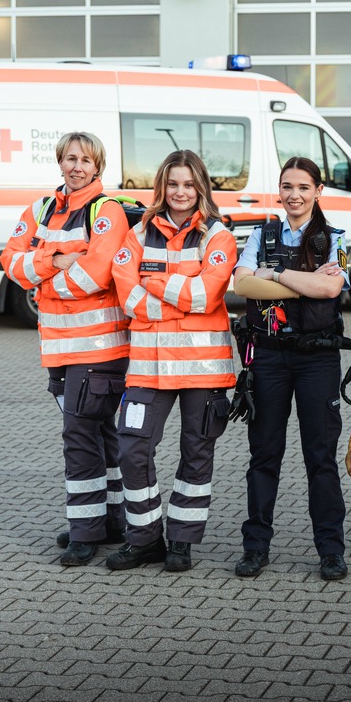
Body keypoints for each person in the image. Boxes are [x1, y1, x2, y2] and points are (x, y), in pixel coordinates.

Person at [0, 132, 130, 566]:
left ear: (98, 167)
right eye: (70, 158)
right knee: (100, 433)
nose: (77, 166)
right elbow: (11, 264)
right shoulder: (39, 209)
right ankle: (113, 521)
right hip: (59, 348)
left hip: (98, 348)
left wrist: (43, 281)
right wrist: (54, 261)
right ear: (59, 162)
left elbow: (95, 275)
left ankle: (85, 531)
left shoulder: (106, 211)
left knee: (78, 435)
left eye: (86, 160)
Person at [106, 149, 236, 573]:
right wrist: (180, 292)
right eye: (173, 184)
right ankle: (145, 539)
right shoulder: (137, 234)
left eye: (188, 183)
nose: (180, 192)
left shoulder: (219, 236)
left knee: (196, 453)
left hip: (203, 369)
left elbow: (206, 296)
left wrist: (155, 282)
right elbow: (128, 299)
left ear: (201, 187)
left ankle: (181, 541)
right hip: (148, 367)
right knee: (132, 450)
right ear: (161, 187)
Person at [232, 156, 351, 581]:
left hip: (318, 359)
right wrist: (305, 283)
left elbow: (330, 287)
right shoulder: (261, 234)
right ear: (279, 190)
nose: (294, 194)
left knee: (320, 457)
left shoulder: (332, 237)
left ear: (318, 191)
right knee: (264, 454)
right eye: (287, 186)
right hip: (267, 357)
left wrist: (277, 274)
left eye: (303, 187)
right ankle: (255, 547)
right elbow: (242, 284)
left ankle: (331, 551)